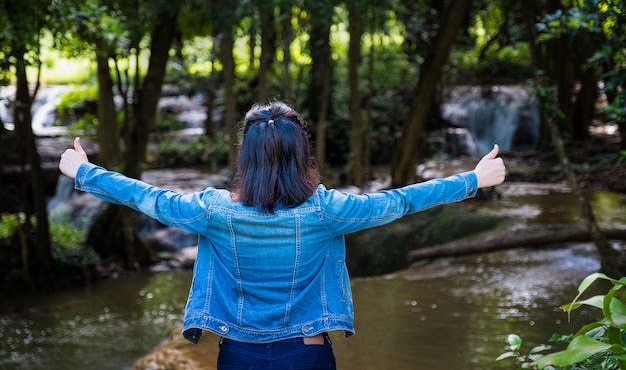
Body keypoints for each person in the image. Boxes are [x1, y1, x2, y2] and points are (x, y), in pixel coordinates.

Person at [59, 100, 506, 370]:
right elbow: (401, 201)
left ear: (246, 157)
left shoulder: (212, 212)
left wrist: (85, 172)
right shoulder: (328, 210)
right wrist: (472, 179)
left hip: (239, 357)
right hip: (307, 355)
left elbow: (146, 197)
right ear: (302, 155)